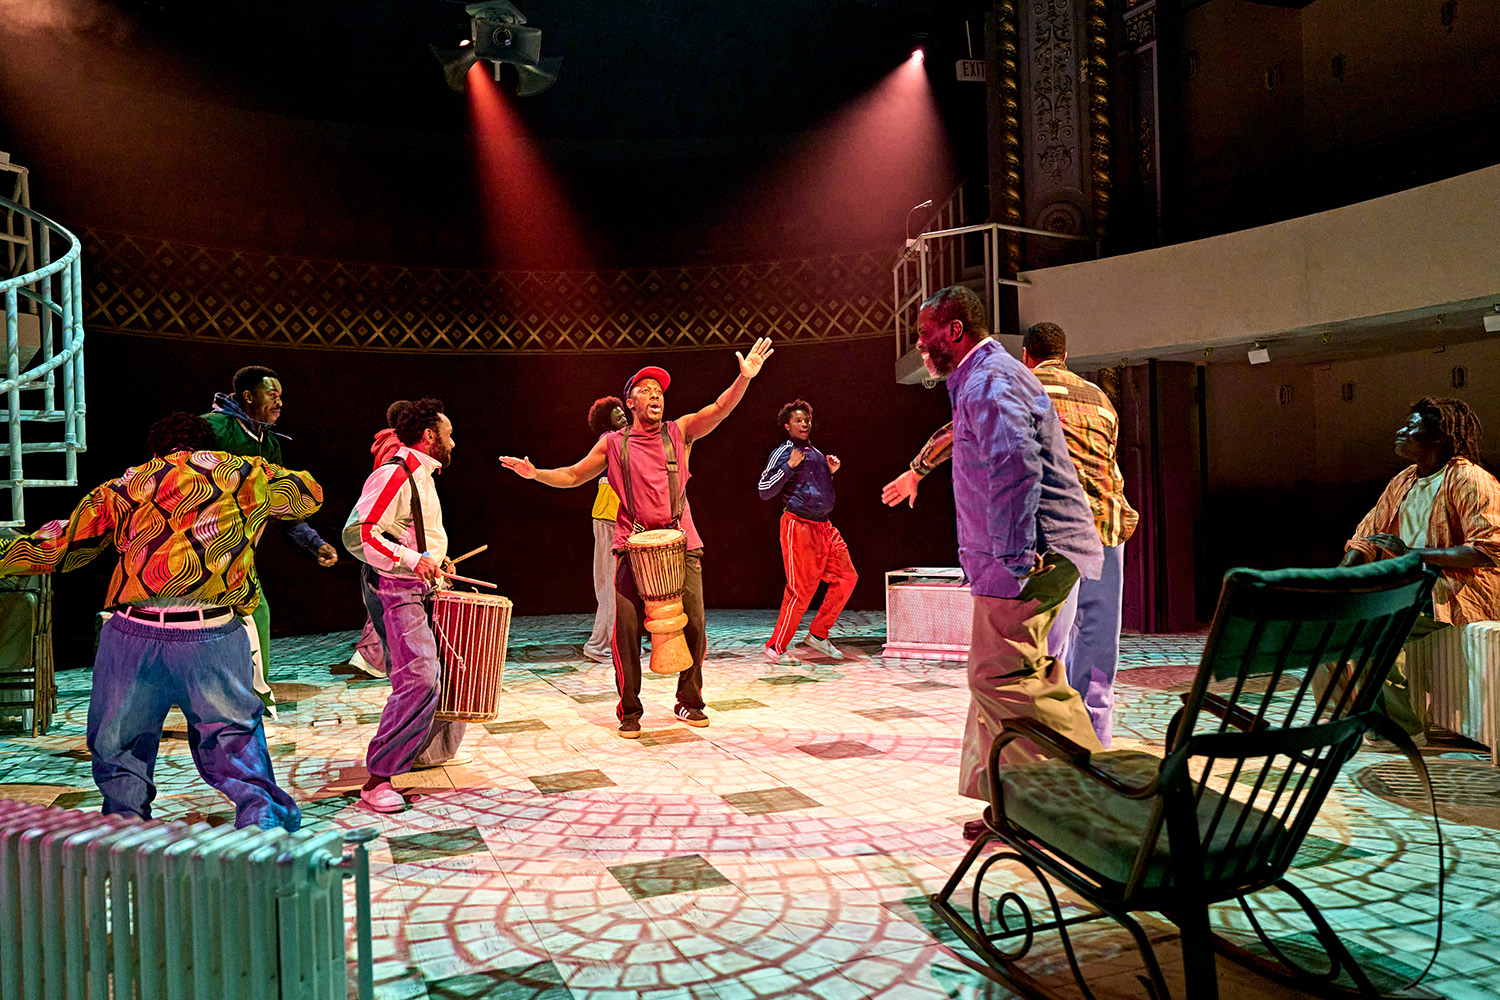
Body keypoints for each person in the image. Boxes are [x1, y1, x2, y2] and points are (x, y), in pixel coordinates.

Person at [0, 413, 321, 830]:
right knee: (232, 736)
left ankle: (127, 827)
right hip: (209, 632)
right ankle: (262, 829)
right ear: (210, 446)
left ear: (155, 450)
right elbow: (308, 494)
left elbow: (57, 548)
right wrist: (252, 471)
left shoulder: (126, 484)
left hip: (134, 631)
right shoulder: (245, 473)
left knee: (119, 742)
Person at [500, 338, 775, 737]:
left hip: (682, 542)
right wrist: (536, 473)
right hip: (633, 544)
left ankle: (689, 700)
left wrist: (743, 378)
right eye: (645, 390)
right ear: (629, 403)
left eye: (659, 391)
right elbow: (575, 475)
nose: (655, 395)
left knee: (696, 623)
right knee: (625, 629)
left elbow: (719, 409)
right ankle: (630, 708)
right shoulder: (613, 444)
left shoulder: (679, 432)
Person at [882, 323, 1137, 746]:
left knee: (1035, 659)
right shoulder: (1101, 400)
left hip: (1056, 541)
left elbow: (957, 432)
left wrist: (916, 471)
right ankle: (1097, 754)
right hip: (1108, 533)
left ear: (1026, 357)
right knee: (1096, 660)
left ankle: (1037, 762)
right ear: (1065, 357)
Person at [913, 286, 1102, 826]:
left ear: (954, 330)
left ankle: (1080, 787)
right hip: (1025, 554)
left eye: (926, 334)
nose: (921, 345)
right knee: (1003, 677)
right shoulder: (983, 376)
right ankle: (1009, 804)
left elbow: (1015, 468)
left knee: (1002, 679)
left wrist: (1016, 557)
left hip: (1027, 557)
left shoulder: (990, 379)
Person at [1341, 397, 1500, 744]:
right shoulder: (1404, 480)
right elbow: (1366, 537)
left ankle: (1403, 730)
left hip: (1452, 590)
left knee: (1378, 628)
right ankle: (1365, 720)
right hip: (1405, 585)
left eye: (1411, 429)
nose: (1400, 432)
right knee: (1338, 623)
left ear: (1438, 439)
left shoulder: (1470, 479)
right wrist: (1339, 579)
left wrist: (1414, 554)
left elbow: (1488, 550)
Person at [342, 398, 468, 813]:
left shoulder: (422, 475)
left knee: (430, 676)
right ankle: (378, 780)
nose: (454, 441)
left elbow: (412, 532)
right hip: (395, 589)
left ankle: (401, 765)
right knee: (418, 677)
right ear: (430, 436)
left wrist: (434, 559)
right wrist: (414, 560)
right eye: (449, 434)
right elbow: (359, 534)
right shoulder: (395, 473)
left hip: (414, 586)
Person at [203, 365, 338, 718]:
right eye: (272, 394)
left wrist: (314, 542)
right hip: (197, 549)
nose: (280, 402)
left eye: (281, 395)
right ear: (248, 396)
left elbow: (280, 503)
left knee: (254, 611)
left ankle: (250, 698)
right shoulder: (212, 429)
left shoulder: (270, 443)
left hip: (239, 553)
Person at [757, 398, 858, 662]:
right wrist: (788, 466)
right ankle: (776, 646)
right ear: (787, 425)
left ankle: (818, 634)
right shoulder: (784, 451)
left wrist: (831, 470)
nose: (804, 423)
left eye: (807, 420)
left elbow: (815, 488)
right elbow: (764, 489)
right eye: (798, 420)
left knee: (847, 577)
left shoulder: (815, 453)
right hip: (798, 525)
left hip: (824, 526)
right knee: (800, 590)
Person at [344, 399, 413, 679]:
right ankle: (371, 657)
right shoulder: (396, 449)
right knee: (387, 598)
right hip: (391, 532)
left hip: (389, 529)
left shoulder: (390, 443)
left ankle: (372, 657)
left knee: (383, 599)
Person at [584, 396, 628, 663]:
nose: (622, 413)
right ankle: (598, 645)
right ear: (606, 419)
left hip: (616, 518)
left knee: (617, 587)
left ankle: (615, 643)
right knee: (609, 587)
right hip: (608, 518)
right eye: (616, 411)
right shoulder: (609, 440)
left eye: (623, 410)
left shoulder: (621, 438)